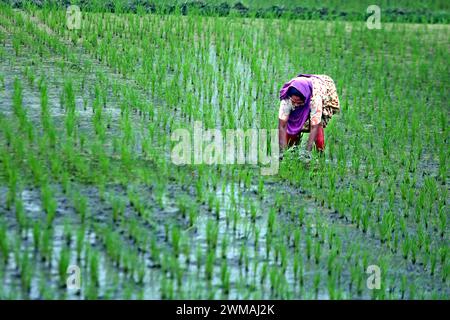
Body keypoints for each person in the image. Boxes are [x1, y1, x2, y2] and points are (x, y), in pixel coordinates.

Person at [278, 73, 340, 156]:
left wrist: (307, 152)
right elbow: (282, 125)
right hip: (301, 85)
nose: (295, 105)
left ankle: (320, 155)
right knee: (291, 132)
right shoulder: (286, 99)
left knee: (318, 131)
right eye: (293, 102)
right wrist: (282, 151)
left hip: (318, 88)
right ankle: (292, 150)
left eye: (299, 102)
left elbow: (314, 126)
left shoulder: (315, 99)